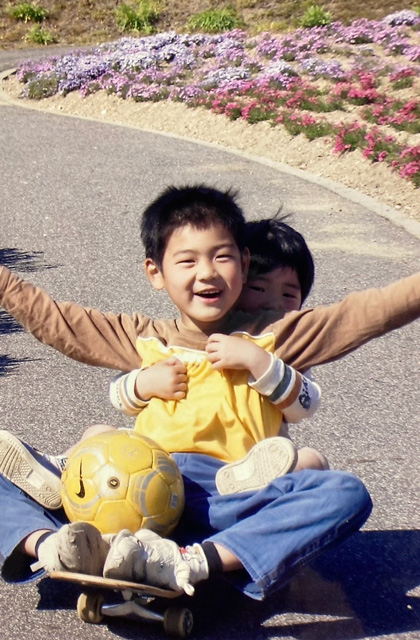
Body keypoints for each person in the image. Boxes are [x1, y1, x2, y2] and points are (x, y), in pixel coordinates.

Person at [0, 184, 419, 600]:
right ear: (156, 272)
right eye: (187, 260)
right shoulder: (145, 339)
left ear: (244, 263)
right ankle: (54, 546)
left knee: (343, 492)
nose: (207, 273)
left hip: (227, 499)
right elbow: (58, 321)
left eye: (221, 256)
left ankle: (188, 561)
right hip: (130, 490)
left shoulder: (274, 336)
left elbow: (368, 311)